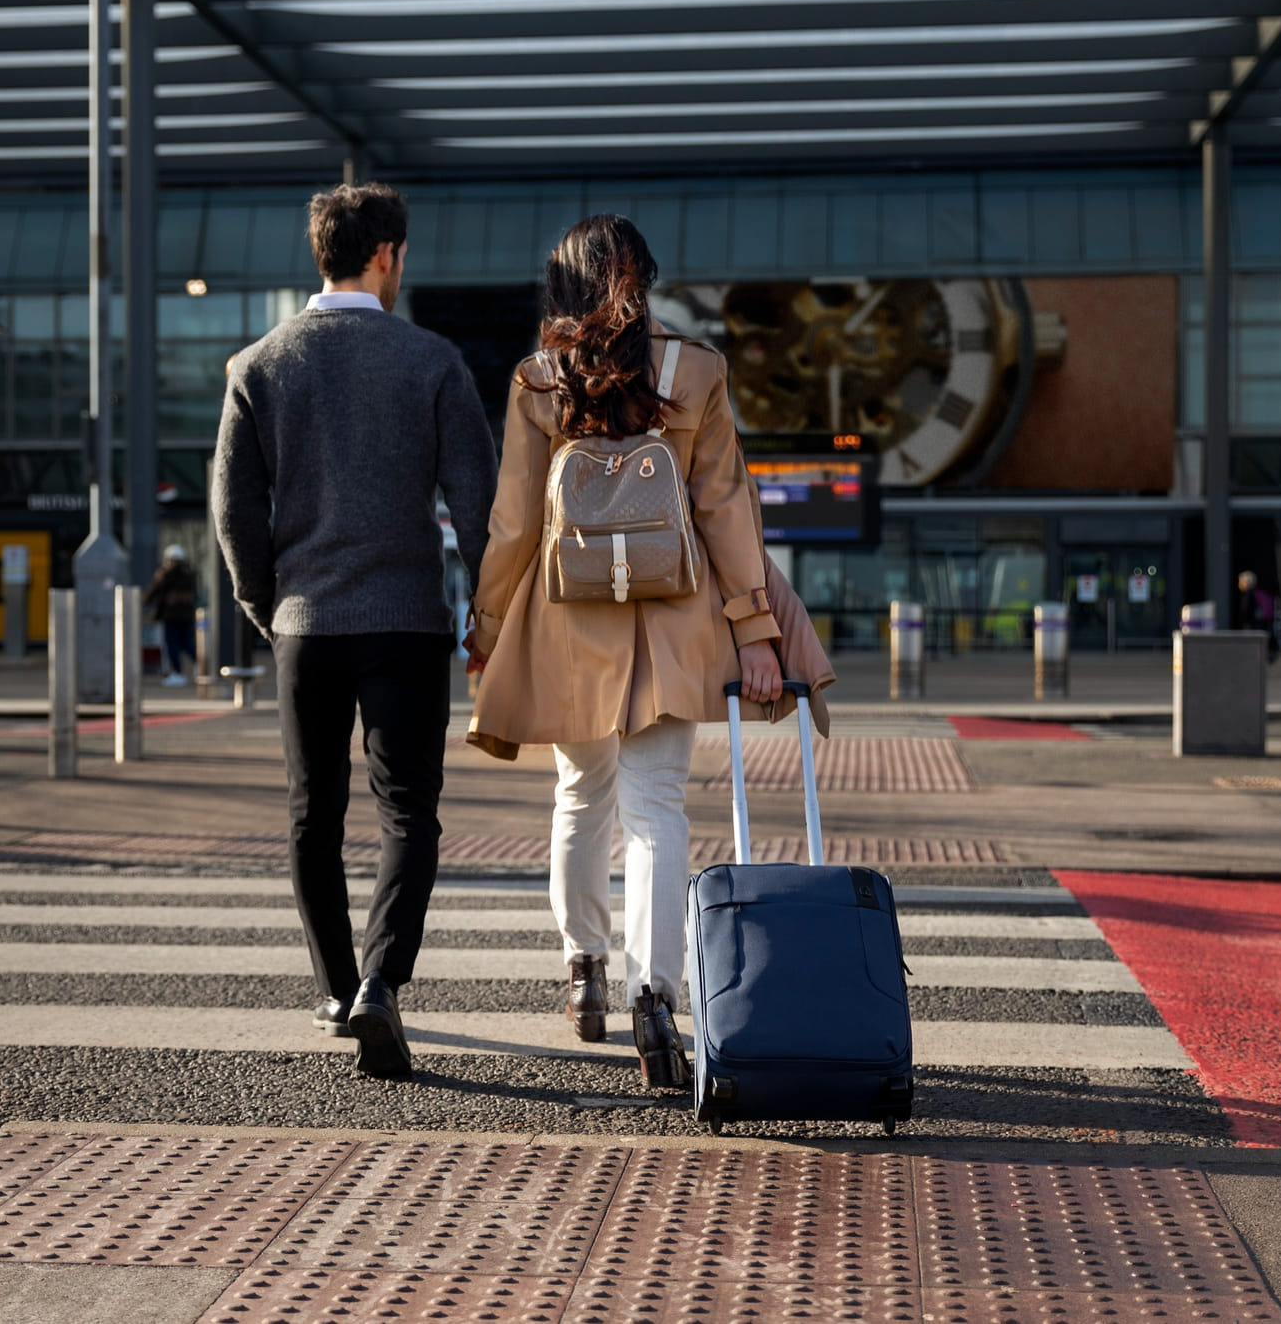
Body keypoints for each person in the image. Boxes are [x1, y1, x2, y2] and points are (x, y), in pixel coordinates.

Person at [465, 213, 835, 1089]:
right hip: (674, 620)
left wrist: (487, 626)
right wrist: (755, 630)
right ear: (645, 278)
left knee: (580, 796)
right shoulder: (695, 370)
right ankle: (655, 998)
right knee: (659, 810)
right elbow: (726, 509)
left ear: (562, 286)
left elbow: (514, 521)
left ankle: (584, 968)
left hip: (569, 623)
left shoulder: (539, 378)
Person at [213, 183, 498, 1078]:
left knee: (313, 814)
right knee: (408, 811)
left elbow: (233, 512)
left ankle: (337, 989)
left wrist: (269, 606)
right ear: (386, 256)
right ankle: (382, 979)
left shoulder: (258, 365)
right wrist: (487, 612)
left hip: (305, 622)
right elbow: (479, 504)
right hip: (406, 622)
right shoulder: (432, 361)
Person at [148, 545, 199, 686]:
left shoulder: (166, 575)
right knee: (188, 643)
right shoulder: (190, 574)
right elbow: (194, 595)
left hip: (171, 616)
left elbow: (155, 592)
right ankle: (200, 665)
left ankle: (177, 673)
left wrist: (145, 602)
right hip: (187, 616)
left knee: (173, 645)